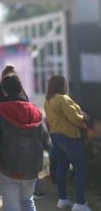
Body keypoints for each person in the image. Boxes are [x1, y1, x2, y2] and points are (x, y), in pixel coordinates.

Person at [0, 74, 47, 211]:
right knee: (27, 202)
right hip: (32, 166)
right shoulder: (35, 110)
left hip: (8, 167)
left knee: (11, 207)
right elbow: (45, 140)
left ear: (4, 91)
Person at [44, 75, 91, 211]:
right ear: (61, 85)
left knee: (62, 167)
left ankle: (63, 199)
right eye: (65, 83)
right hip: (69, 136)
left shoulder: (48, 100)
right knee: (80, 169)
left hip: (56, 136)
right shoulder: (62, 99)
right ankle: (80, 203)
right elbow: (75, 119)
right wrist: (83, 117)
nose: (67, 85)